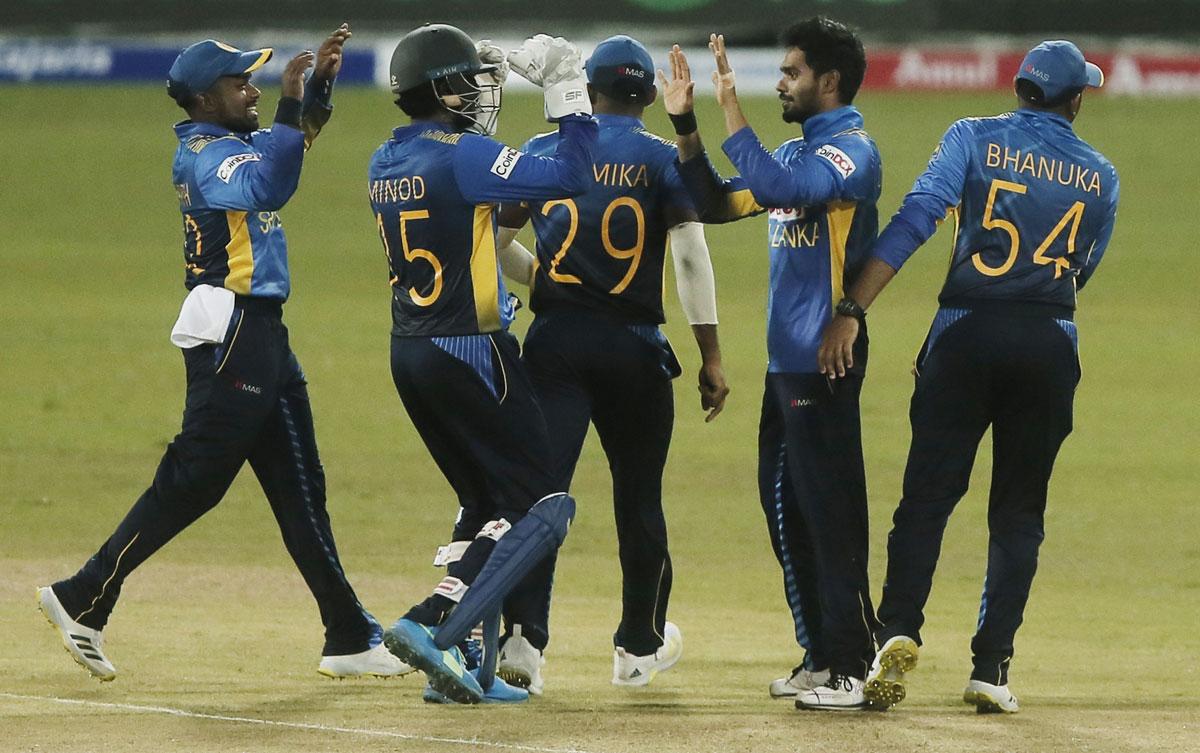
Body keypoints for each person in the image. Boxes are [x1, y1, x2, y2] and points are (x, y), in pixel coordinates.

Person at [36, 25, 410, 682]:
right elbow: (271, 185)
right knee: (198, 479)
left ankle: (349, 633)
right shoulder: (208, 155)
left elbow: (298, 142)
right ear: (205, 100)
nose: (253, 89)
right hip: (233, 328)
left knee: (300, 489)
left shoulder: (232, 141)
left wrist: (316, 86)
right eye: (239, 83)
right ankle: (83, 595)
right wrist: (292, 105)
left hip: (262, 332)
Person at [819, 40, 1118, 714]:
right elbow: (1081, 272)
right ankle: (991, 666)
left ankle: (895, 633)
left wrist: (852, 306)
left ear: (1020, 90)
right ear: (1074, 99)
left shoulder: (971, 137)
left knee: (926, 498)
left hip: (964, 332)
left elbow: (918, 217)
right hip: (1048, 339)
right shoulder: (1102, 175)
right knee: (1018, 511)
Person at [368, 24, 598, 705]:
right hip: (471, 348)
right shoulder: (464, 157)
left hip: (409, 350)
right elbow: (573, 175)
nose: (479, 91)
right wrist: (566, 89)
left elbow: (478, 214)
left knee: (484, 500)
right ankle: (433, 620)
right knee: (538, 503)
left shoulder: (385, 157)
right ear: (441, 89)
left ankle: (469, 660)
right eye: (468, 80)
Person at [491, 34, 729, 693]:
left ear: (589, 91)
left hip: (556, 345)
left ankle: (523, 646)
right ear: (650, 95)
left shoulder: (543, 151)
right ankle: (637, 647)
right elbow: (688, 257)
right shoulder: (662, 159)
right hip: (634, 349)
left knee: (541, 497)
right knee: (639, 499)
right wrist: (710, 354)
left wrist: (540, 278)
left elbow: (493, 243)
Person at [663, 18, 882, 709]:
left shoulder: (853, 153)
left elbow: (788, 191)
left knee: (828, 512)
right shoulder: (794, 154)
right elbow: (716, 200)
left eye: (791, 73)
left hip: (825, 360)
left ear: (830, 81)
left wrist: (730, 102)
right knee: (787, 511)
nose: (780, 83)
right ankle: (822, 654)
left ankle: (853, 663)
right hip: (786, 367)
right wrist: (688, 126)